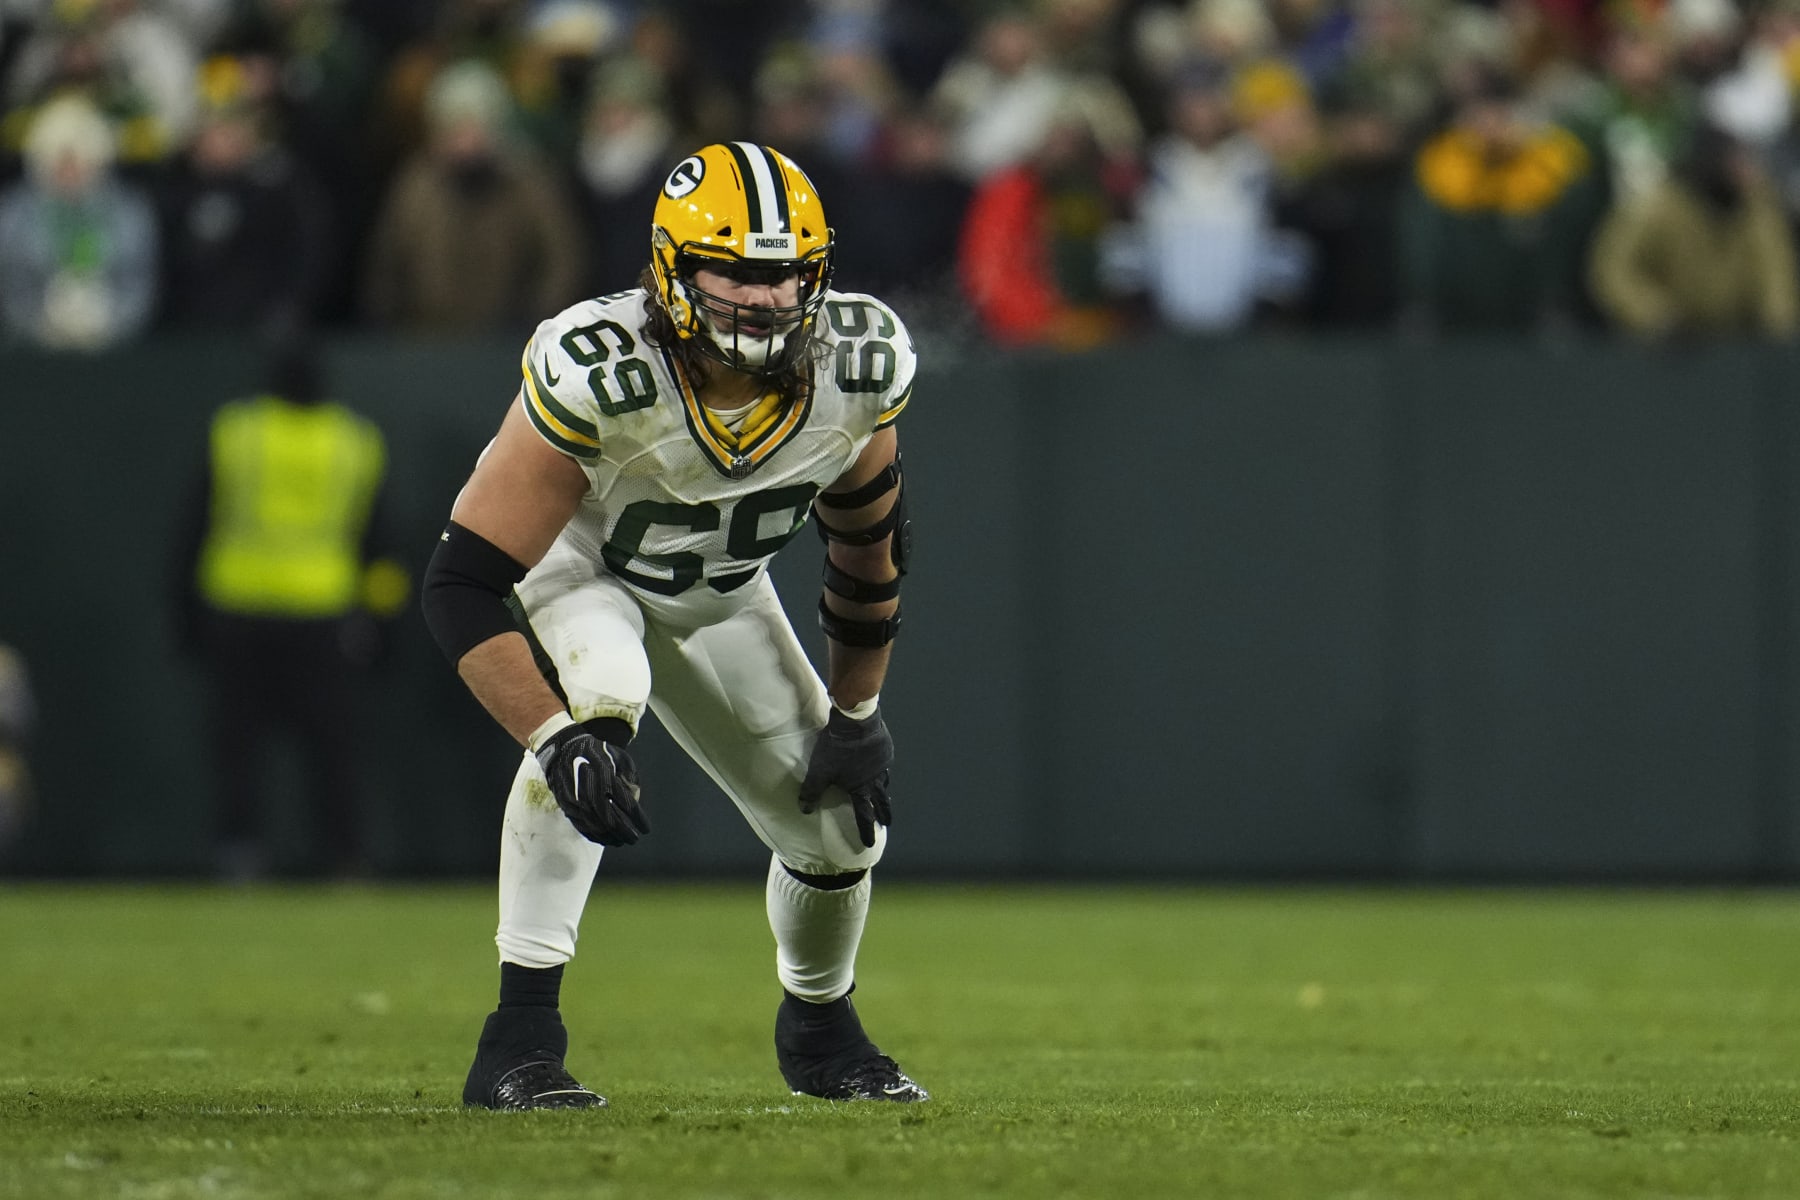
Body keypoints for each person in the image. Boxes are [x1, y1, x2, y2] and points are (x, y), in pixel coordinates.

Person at [421, 141, 926, 1110]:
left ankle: (821, 1031)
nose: (764, 296)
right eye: (734, 269)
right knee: (607, 705)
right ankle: (519, 1043)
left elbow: (868, 550)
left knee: (838, 832)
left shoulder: (856, 367)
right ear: (671, 266)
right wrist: (552, 730)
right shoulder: (599, 367)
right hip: (587, 572)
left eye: (784, 274)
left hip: (721, 594)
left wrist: (858, 712)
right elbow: (462, 581)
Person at [174, 338, 408, 880]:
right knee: (333, 749)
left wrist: (184, 618)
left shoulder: (236, 432)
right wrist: (384, 626)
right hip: (320, 613)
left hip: (237, 609)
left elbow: (192, 530)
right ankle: (345, 861)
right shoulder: (354, 442)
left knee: (237, 747)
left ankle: (239, 854)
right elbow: (382, 548)